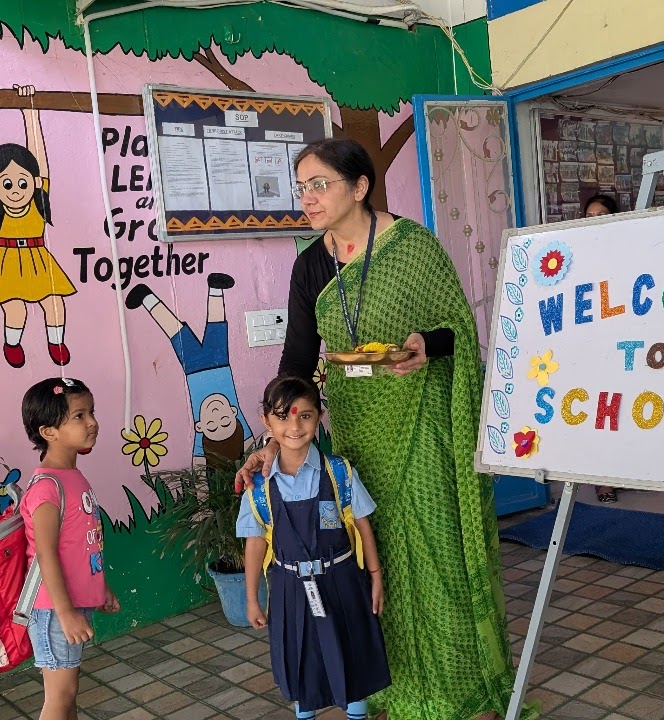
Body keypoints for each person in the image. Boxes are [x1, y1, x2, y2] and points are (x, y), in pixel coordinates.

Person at [237, 137, 526, 720]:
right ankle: (391, 688)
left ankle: (462, 692)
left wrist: (426, 345)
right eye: (302, 187)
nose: (308, 197)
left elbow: (456, 327)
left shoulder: (412, 246)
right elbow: (297, 362)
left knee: (438, 553)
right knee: (375, 557)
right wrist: (274, 439)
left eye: (320, 184)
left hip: (420, 421)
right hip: (358, 430)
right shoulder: (310, 265)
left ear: (359, 187)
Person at [237, 375, 388, 719]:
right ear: (266, 421)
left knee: (351, 657)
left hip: (343, 582)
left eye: (305, 415)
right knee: (300, 661)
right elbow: (255, 544)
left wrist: (376, 575)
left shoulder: (339, 473)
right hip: (289, 589)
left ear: (320, 416)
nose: (294, 426)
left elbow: (362, 525)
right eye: (282, 417)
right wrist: (251, 598)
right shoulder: (258, 488)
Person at [19, 377, 120, 720]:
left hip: (71, 604)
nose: (92, 422)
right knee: (59, 697)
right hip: (53, 610)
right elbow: (45, 554)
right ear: (49, 431)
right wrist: (64, 613)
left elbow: (81, 546)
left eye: (91, 412)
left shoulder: (73, 477)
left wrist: (100, 586)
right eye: (79, 416)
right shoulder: (47, 487)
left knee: (68, 694)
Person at [0, 84, 78, 368]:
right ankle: (12, 343)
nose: (16, 190)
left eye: (23, 182)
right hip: (7, 260)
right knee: (15, 308)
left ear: (34, 182)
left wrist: (30, 113)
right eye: (7, 184)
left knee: (54, 302)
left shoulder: (37, 200)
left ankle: (56, 341)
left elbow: (39, 162)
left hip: (38, 257)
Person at [125, 273, 253, 469]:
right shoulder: (241, 424)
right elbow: (252, 448)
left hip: (193, 368)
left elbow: (199, 462)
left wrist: (203, 489)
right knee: (217, 328)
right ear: (233, 412)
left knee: (176, 331)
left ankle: (147, 298)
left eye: (212, 426)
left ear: (199, 426)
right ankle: (215, 289)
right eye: (226, 421)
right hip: (220, 362)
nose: (217, 416)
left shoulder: (200, 438)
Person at [584, 194, 621, 503]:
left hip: (622, 341)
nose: (595, 220)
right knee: (598, 410)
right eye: (589, 215)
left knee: (622, 406)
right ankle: (602, 481)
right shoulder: (577, 254)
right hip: (590, 342)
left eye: (602, 214)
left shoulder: (625, 252)